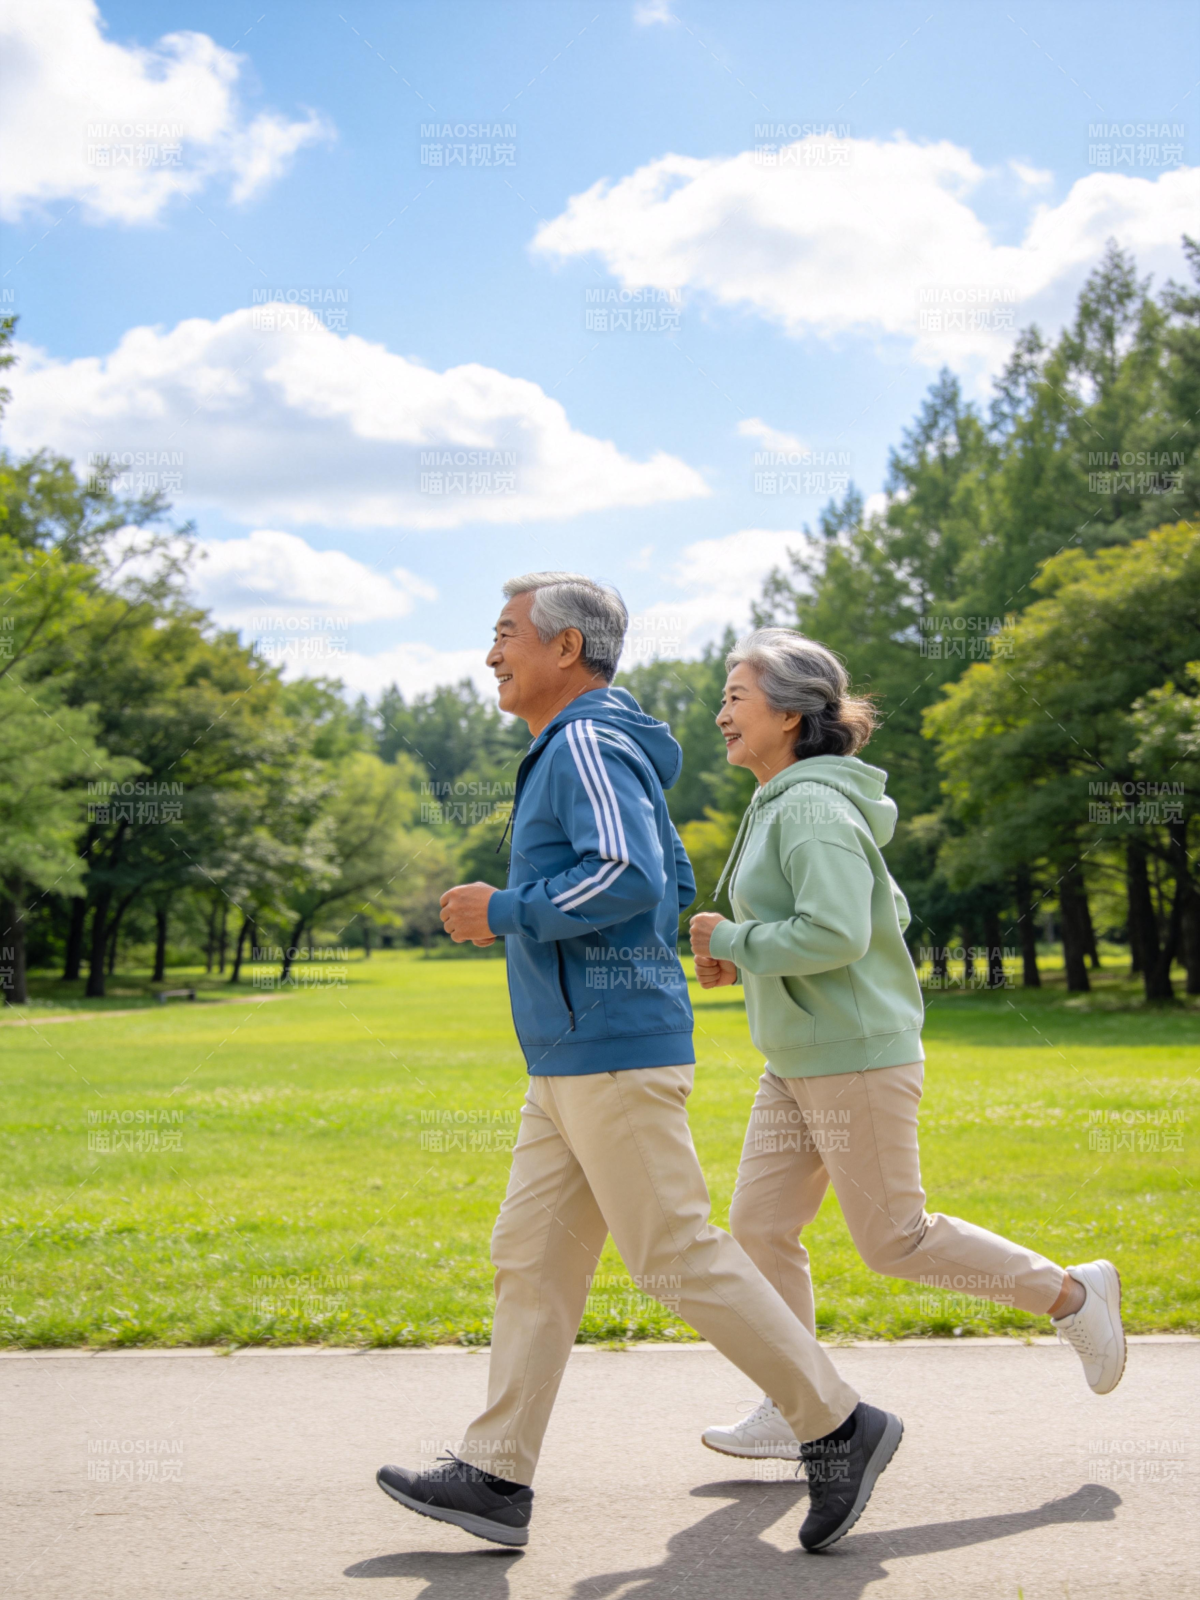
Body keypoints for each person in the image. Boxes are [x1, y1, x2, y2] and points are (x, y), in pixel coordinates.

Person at [377, 577, 902, 1555]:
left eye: (505, 635)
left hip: (610, 1048)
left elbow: (628, 874)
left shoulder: (583, 739)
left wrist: (505, 910)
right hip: (572, 1051)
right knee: (531, 1258)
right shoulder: (585, 745)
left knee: (674, 1250)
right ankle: (496, 1473)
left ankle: (839, 1423)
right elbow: (668, 877)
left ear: (565, 647)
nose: (491, 654)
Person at [689, 627, 1126, 1466]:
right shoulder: (783, 799)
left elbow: (838, 933)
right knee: (759, 1228)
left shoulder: (811, 806)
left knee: (895, 1239)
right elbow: (810, 929)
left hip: (853, 1055)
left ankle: (1074, 1297)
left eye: (735, 697)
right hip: (798, 1059)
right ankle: (798, 1403)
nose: (721, 716)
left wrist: (739, 940)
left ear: (789, 712)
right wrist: (741, 952)